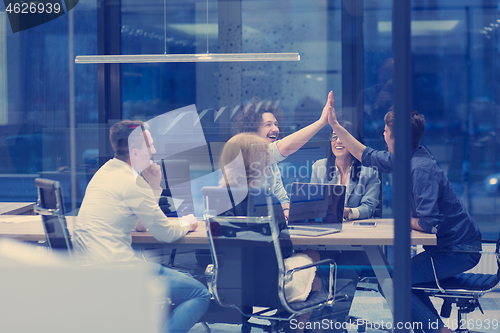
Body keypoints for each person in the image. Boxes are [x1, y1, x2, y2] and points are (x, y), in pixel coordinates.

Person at [325, 92, 482, 333]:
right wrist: (335, 124)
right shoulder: (406, 157)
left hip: (459, 251)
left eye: (387, 132)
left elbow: (428, 224)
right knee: (393, 281)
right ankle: (434, 329)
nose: (383, 134)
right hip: (450, 247)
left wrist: (401, 218)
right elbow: (364, 154)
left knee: (394, 282)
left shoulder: (420, 169)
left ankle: (439, 331)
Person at [73, 120, 211, 333]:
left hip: (90, 270)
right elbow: (165, 233)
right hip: (119, 271)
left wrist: (154, 186)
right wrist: (187, 223)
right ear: (135, 152)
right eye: (151, 146)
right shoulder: (131, 182)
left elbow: (139, 225)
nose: (154, 151)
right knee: (200, 294)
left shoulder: (105, 172)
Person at [218, 133, 322, 331]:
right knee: (314, 261)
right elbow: (285, 250)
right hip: (269, 287)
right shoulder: (266, 199)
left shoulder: (216, 198)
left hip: (228, 285)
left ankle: (284, 321)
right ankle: (293, 326)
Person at [233, 97, 332, 219]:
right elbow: (283, 148)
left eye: (276, 124)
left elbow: (282, 199)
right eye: (268, 125)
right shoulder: (249, 152)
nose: (275, 129)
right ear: (253, 129)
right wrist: (321, 122)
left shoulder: (272, 165)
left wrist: (289, 210)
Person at [310, 121, 380, 220]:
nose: (338, 141)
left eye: (343, 137)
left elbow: (368, 208)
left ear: (354, 141)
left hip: (357, 230)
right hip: (328, 227)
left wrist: (348, 212)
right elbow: (314, 204)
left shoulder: (369, 172)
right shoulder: (318, 167)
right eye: (334, 136)